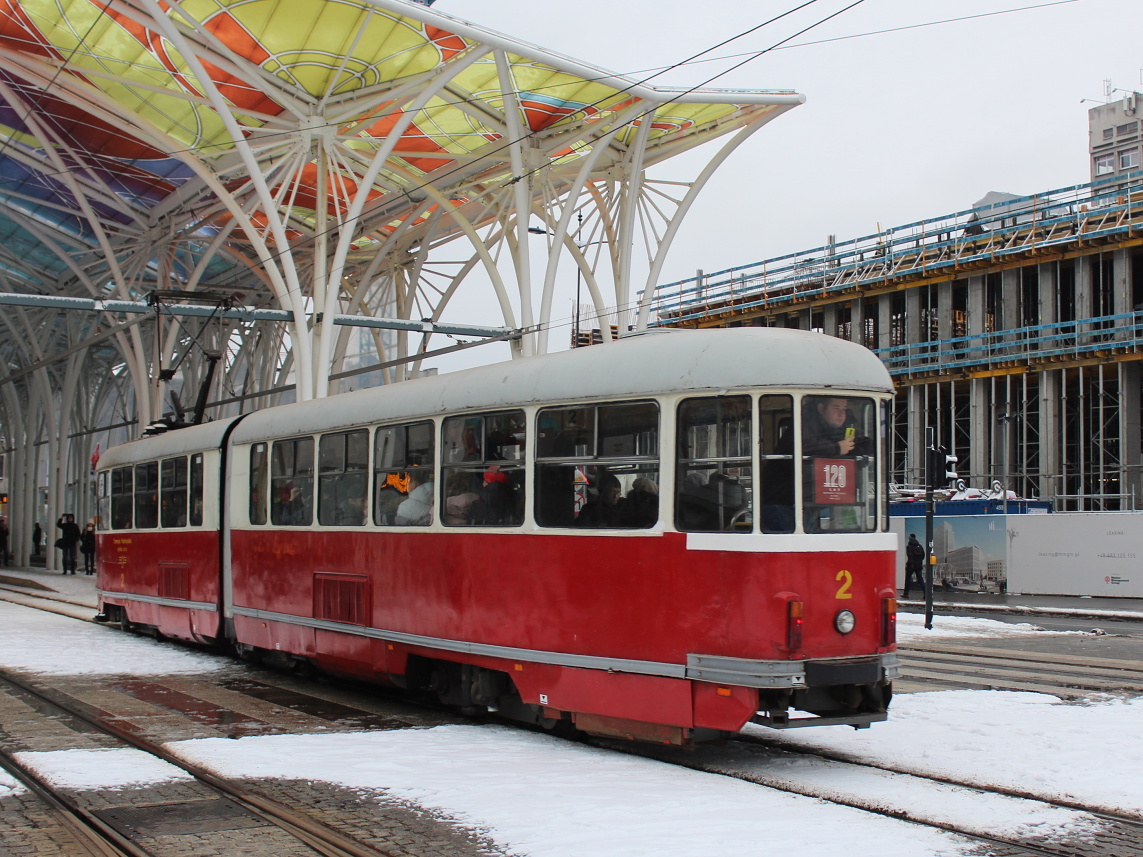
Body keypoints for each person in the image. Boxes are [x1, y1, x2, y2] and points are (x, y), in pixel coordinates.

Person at [904, 533, 926, 599]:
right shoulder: (920, 546)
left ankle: (906, 594)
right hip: (918, 566)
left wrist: (909, 565)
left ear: (910, 538)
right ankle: (926, 593)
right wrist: (919, 562)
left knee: (908, 580)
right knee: (920, 580)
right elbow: (923, 556)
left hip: (911, 566)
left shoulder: (909, 546)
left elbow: (910, 556)